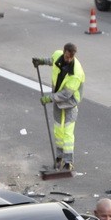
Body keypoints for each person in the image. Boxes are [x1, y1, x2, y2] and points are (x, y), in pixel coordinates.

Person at [32, 43, 85, 171]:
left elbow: (66, 94)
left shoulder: (76, 72)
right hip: (57, 98)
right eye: (66, 57)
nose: (68, 60)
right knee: (58, 130)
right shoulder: (58, 55)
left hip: (70, 102)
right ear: (64, 52)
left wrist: (49, 98)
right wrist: (41, 61)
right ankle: (59, 158)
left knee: (67, 132)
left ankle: (68, 162)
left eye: (70, 58)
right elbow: (52, 60)